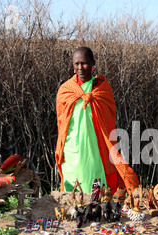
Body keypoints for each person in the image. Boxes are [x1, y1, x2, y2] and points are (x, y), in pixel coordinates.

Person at [55, 46, 138, 194]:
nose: (80, 68)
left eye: (84, 63)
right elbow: (61, 122)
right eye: (76, 64)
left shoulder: (102, 89)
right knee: (73, 185)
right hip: (71, 146)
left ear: (93, 63)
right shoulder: (66, 90)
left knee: (94, 180)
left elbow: (109, 116)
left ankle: (97, 206)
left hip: (96, 145)